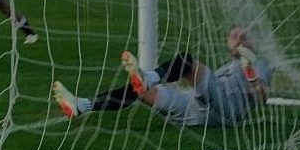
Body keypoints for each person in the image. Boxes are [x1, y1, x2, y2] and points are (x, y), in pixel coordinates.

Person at [52, 27, 272, 126]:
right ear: (228, 43)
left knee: (187, 63)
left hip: (226, 108)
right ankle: (81, 105)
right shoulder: (230, 65)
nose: (239, 40)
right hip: (199, 113)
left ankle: (149, 76)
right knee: (142, 92)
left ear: (252, 41)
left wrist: (250, 71)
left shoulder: (258, 63)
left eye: (244, 36)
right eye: (235, 36)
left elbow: (263, 97)